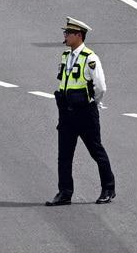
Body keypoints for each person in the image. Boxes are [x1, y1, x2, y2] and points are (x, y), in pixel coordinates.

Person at [46, 17, 115, 206]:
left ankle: (108, 188)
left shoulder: (90, 58)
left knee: (96, 151)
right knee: (64, 155)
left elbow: (100, 87)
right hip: (66, 113)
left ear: (78, 35)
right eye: (65, 33)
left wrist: (92, 103)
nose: (65, 36)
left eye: (68, 33)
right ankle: (64, 192)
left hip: (85, 112)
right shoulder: (65, 56)